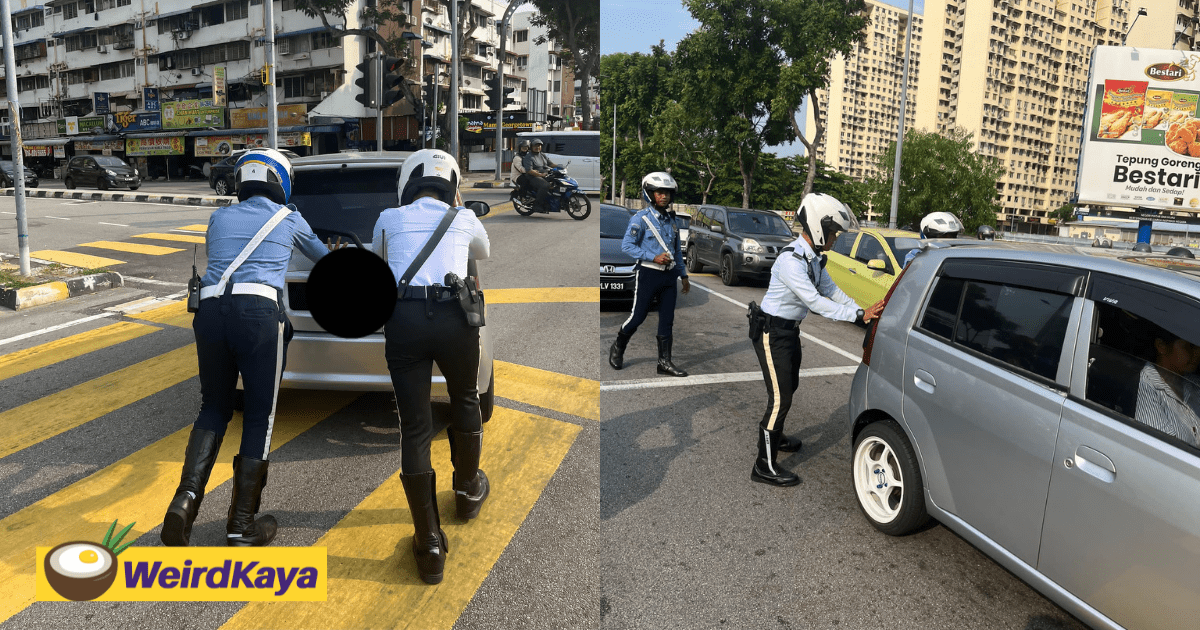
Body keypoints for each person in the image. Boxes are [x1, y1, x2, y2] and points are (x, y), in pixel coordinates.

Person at [161, 148, 332, 547]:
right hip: (258, 315)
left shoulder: (219, 217)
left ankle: (184, 502)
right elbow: (324, 260)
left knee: (214, 407)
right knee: (259, 416)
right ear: (281, 180)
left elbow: (221, 257)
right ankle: (241, 523)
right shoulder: (290, 218)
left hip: (210, 311)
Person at [373, 149, 491, 585]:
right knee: (464, 398)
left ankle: (429, 544)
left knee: (415, 427)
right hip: (454, 317)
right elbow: (485, 250)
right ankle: (466, 491)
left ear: (407, 183)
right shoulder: (463, 219)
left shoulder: (388, 217)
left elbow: (379, 258)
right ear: (452, 185)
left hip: (403, 318)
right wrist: (459, 210)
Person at [750, 193, 883, 486]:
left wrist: (862, 309)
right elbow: (816, 302)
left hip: (789, 331)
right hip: (772, 333)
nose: (835, 238)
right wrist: (857, 316)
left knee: (790, 386)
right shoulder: (791, 261)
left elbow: (833, 291)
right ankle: (763, 465)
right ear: (819, 227)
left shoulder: (814, 259)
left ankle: (777, 436)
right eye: (834, 232)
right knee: (780, 398)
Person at [608, 171, 690, 377]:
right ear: (649, 194)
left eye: (668, 193)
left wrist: (683, 274)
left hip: (669, 277)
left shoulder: (672, 221)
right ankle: (618, 346)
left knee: (667, 319)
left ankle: (664, 362)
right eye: (659, 192)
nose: (664, 196)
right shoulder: (641, 219)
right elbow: (627, 246)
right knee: (638, 316)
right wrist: (653, 257)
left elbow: (676, 250)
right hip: (648, 274)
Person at [1135, 327, 1200, 447]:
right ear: (1161, 346)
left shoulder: (1193, 383)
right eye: (1190, 346)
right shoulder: (1147, 385)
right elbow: (1162, 450)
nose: (1198, 352)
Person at [522, 138, 558, 212]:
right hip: (533, 177)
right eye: (536, 145)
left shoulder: (542, 155)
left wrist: (560, 166)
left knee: (557, 182)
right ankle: (538, 205)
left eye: (539, 146)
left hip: (544, 175)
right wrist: (540, 175)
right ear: (531, 147)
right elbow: (529, 171)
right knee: (545, 185)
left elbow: (550, 164)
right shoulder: (529, 157)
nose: (538, 147)